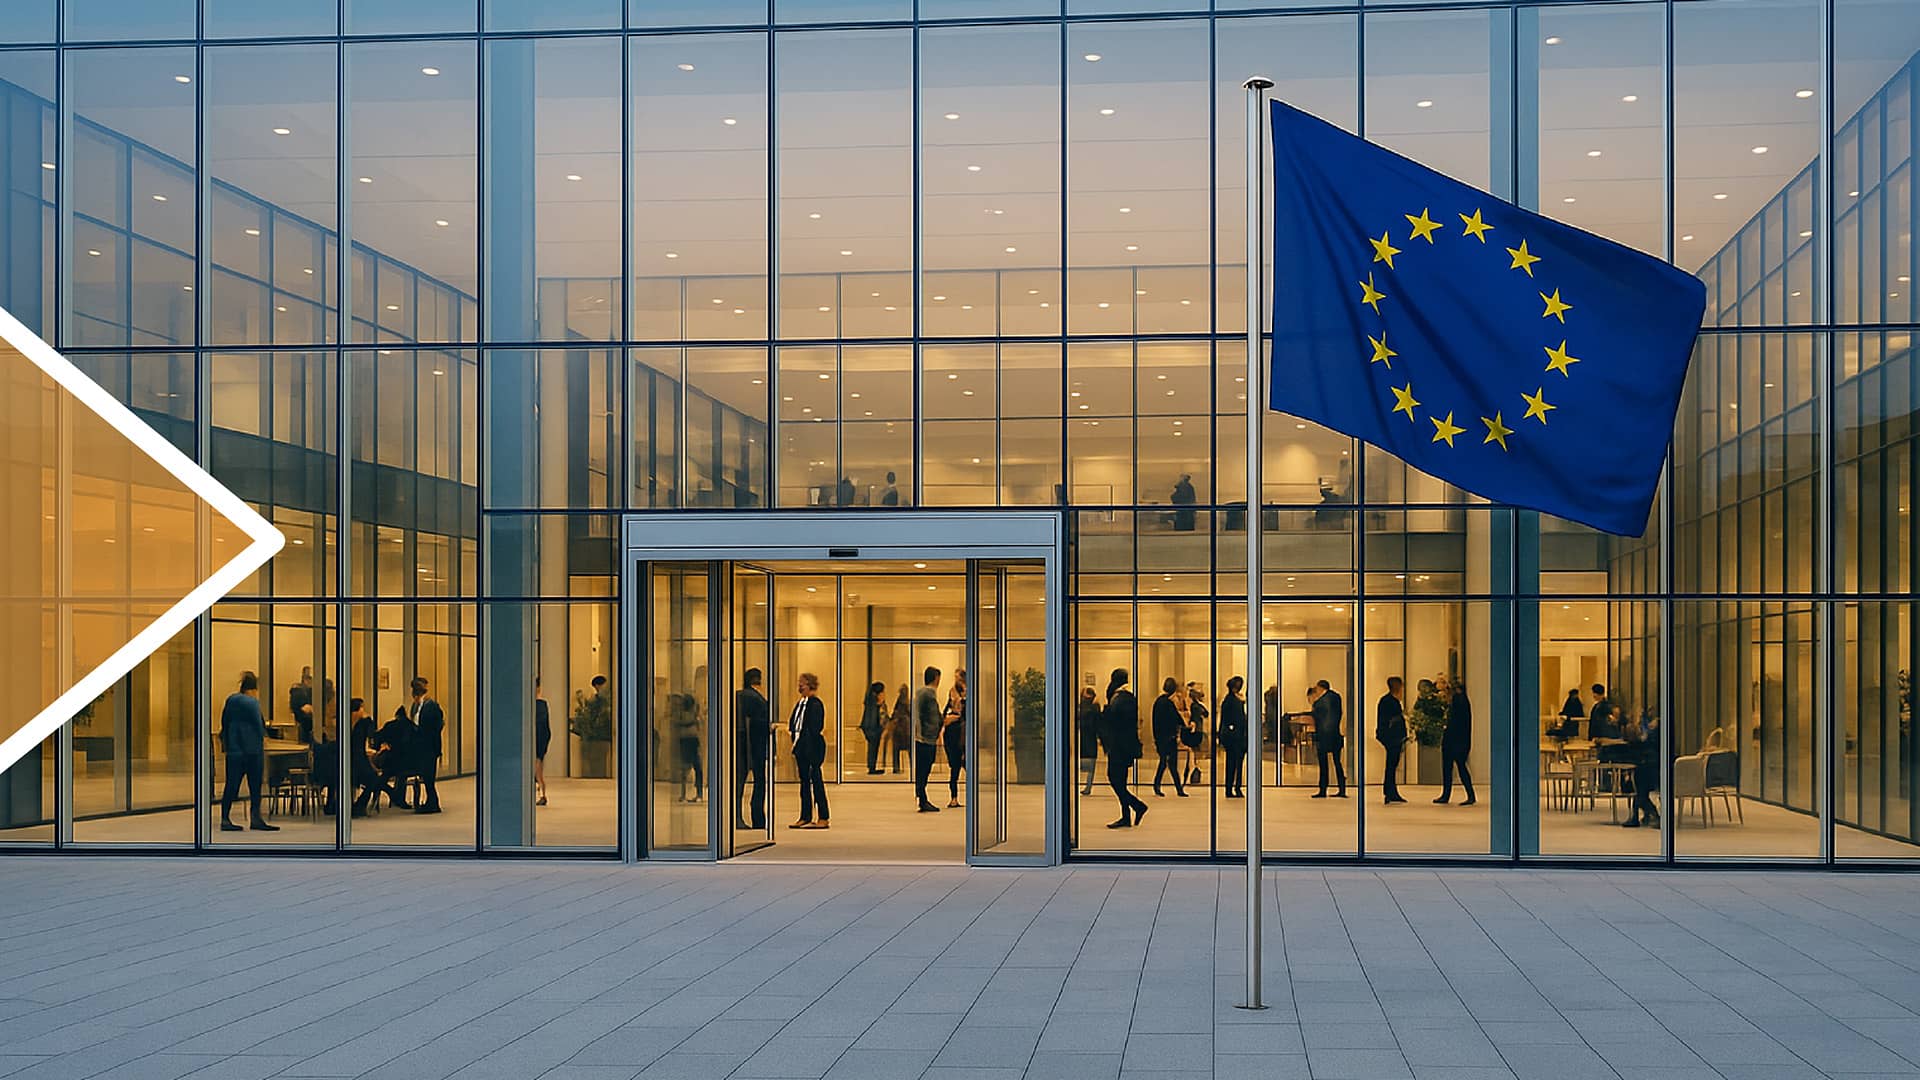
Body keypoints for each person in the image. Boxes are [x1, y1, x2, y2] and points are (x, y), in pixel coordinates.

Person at [218, 671, 276, 832]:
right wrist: (264, 737)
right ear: (253, 689)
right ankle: (256, 819)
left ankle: (225, 818)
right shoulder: (252, 703)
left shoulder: (230, 700)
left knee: (231, 785)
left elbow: (224, 722)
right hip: (252, 751)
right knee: (255, 786)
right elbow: (259, 724)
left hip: (234, 751)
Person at [1101, 670, 1148, 828]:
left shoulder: (1125, 698)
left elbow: (1122, 723)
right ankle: (1126, 815)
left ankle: (1138, 806)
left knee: (1115, 779)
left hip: (1121, 746)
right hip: (1119, 745)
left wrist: (1107, 714)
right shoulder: (1120, 697)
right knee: (1119, 781)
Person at [788, 671, 829, 829]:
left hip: (812, 748)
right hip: (800, 748)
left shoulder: (815, 704)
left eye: (802, 682)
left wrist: (807, 746)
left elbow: (814, 727)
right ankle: (805, 815)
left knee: (816, 782)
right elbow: (795, 723)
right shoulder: (800, 703)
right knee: (804, 783)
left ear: (810, 684)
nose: (799, 685)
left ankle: (823, 817)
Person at [736, 668, 770, 830]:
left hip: (740, 746)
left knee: (738, 783)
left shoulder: (738, 696)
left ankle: (736, 815)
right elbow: (760, 724)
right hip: (755, 747)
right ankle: (758, 818)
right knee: (759, 783)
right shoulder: (757, 699)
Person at [1433, 675, 1475, 806]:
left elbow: (1456, 721)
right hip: (1458, 740)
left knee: (1454, 767)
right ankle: (1467, 794)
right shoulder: (1461, 699)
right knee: (1458, 767)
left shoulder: (1458, 700)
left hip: (1455, 740)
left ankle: (1450, 795)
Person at [371, 704, 418, 809]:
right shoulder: (411, 726)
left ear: (396, 716)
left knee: (382, 778)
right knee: (402, 776)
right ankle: (399, 799)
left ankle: (393, 794)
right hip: (409, 761)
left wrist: (380, 747)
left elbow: (377, 736)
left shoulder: (390, 725)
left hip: (392, 760)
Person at [1621, 710, 1662, 829]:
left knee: (1639, 786)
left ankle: (1649, 814)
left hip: (1652, 767)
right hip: (1651, 765)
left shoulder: (1653, 736)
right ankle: (1645, 814)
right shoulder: (1652, 738)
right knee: (1639, 787)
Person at [410, 676, 444, 814]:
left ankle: (433, 803)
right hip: (422, 746)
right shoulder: (417, 706)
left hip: (429, 746)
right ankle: (431, 802)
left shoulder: (431, 706)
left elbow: (435, 727)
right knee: (426, 775)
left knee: (429, 776)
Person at [1150, 677, 1187, 797]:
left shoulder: (1158, 702)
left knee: (1164, 763)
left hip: (1161, 738)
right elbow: (1176, 718)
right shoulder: (1168, 703)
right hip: (1169, 738)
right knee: (1171, 764)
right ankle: (1178, 789)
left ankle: (1158, 785)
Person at [913, 667, 943, 813]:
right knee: (925, 769)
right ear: (936, 678)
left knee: (921, 769)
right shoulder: (929, 695)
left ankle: (921, 796)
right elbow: (933, 717)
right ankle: (922, 798)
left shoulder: (920, 694)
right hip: (927, 739)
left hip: (921, 738)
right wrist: (936, 731)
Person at [1309, 679, 1346, 798]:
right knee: (1337, 762)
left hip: (1323, 736)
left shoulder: (1319, 702)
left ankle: (1323, 789)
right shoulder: (1336, 697)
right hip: (1335, 735)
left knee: (1323, 764)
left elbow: (1315, 717)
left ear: (1320, 688)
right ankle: (1342, 788)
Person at [346, 698, 381, 818]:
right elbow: (372, 734)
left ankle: (357, 805)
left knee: (373, 778)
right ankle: (360, 805)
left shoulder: (346, 723)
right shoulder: (363, 723)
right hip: (358, 760)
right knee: (374, 779)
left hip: (349, 760)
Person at [1376, 676, 1408, 805]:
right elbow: (1394, 721)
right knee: (1391, 764)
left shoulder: (1386, 700)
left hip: (1390, 737)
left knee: (1391, 764)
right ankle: (1390, 791)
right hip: (1392, 737)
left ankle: (1390, 790)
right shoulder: (1391, 702)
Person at [1217, 677, 1247, 799]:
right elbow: (1227, 719)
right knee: (1233, 763)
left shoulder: (1233, 700)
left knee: (1235, 763)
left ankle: (1233, 787)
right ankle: (1232, 788)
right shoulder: (1231, 701)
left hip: (1237, 736)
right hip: (1234, 737)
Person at [942, 668, 968, 808]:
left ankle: (973, 795)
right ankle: (953, 798)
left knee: (966, 765)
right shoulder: (952, 691)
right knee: (954, 766)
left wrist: (956, 717)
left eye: (958, 677)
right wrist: (945, 719)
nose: (956, 680)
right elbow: (946, 708)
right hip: (952, 732)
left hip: (963, 733)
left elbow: (968, 714)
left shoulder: (968, 693)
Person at [1077, 687, 1101, 795]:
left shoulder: (1081, 707)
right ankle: (1088, 787)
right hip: (1090, 739)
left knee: (1083, 764)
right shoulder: (1094, 707)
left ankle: (1087, 787)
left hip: (1083, 738)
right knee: (1090, 766)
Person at [1183, 681, 1208, 786]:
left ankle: (1194, 771)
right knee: (1194, 753)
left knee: (1194, 754)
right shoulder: (1195, 706)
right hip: (1196, 730)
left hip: (1197, 729)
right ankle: (1194, 770)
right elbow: (1205, 714)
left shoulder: (1195, 705)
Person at [860, 681, 887, 775]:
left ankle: (872, 766)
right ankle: (872, 766)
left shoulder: (871, 703)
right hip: (872, 729)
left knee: (873, 747)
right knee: (873, 747)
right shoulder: (873, 704)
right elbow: (874, 719)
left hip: (872, 729)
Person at [533, 677, 551, 808]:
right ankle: (541, 794)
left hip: (538, 740)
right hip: (539, 740)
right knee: (537, 769)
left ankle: (542, 795)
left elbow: (541, 725)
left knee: (538, 769)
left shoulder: (539, 705)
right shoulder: (539, 705)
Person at [888, 685, 912, 773]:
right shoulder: (907, 703)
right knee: (909, 749)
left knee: (896, 749)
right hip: (905, 729)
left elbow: (894, 715)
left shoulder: (899, 704)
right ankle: (912, 766)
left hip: (900, 729)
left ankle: (896, 768)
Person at [289, 666, 314, 745]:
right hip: (304, 724)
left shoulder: (316, 691)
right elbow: (295, 708)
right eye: (307, 678)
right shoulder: (298, 691)